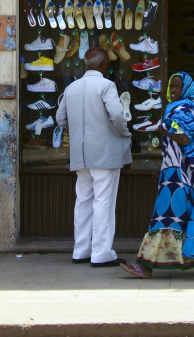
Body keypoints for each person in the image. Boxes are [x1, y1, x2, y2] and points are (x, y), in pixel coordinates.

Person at [121, 71, 194, 278]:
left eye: (177, 87)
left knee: (164, 216)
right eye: (171, 86)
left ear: (186, 89)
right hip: (191, 174)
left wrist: (162, 129)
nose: (172, 91)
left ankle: (145, 266)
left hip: (178, 176)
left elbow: (184, 140)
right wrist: (165, 167)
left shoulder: (182, 108)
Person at [56, 47, 131, 267]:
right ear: (104, 65)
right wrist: (124, 133)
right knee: (103, 203)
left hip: (81, 153)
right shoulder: (106, 85)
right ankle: (101, 253)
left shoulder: (71, 88)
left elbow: (60, 119)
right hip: (105, 153)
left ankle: (81, 250)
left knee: (83, 201)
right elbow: (117, 115)